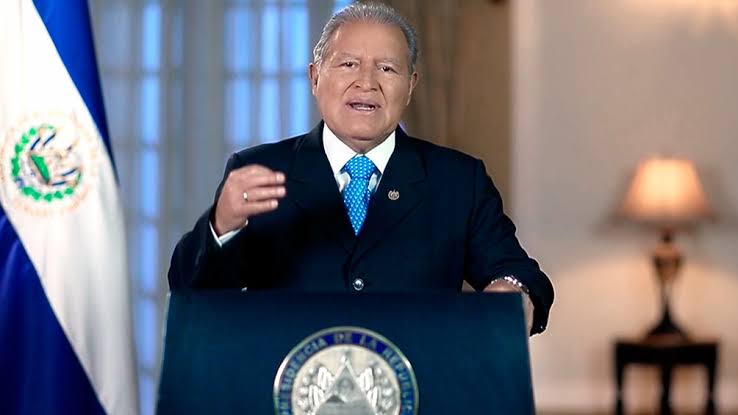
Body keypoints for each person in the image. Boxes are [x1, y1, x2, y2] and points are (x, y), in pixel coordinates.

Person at [168, 2, 554, 335]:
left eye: (387, 68)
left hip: (417, 383)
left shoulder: (457, 181)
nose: (366, 83)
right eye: (348, 64)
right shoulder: (259, 170)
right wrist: (221, 225)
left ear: (411, 85)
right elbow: (191, 294)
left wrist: (513, 294)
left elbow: (523, 275)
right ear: (315, 77)